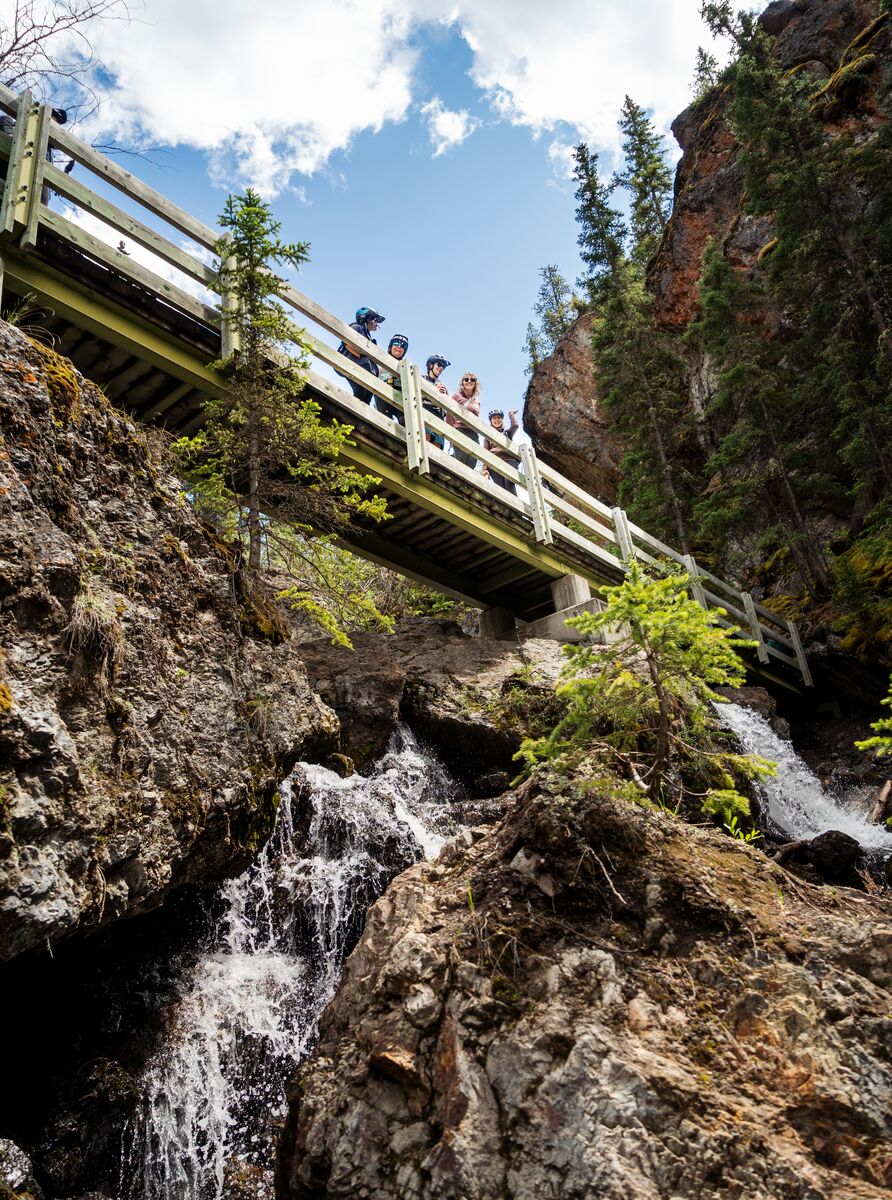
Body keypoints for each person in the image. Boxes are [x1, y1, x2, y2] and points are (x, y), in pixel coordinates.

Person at [337, 306, 384, 404]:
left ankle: (359, 413)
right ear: (369, 319)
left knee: (367, 395)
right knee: (360, 391)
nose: (377, 324)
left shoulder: (369, 337)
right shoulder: (357, 327)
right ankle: (352, 411)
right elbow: (346, 343)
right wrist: (361, 356)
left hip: (363, 370)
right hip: (352, 365)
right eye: (376, 321)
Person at [446, 371, 482, 469]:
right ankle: (457, 482)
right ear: (462, 382)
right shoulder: (456, 396)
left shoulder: (477, 401)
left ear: (475, 383)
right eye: (466, 379)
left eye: (472, 380)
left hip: (473, 433)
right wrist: (450, 434)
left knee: (472, 461)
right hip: (460, 430)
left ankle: (467, 484)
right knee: (460, 459)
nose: (469, 381)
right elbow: (449, 415)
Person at [482, 408, 520, 494]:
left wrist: (511, 414)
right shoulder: (488, 436)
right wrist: (485, 470)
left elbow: (515, 426)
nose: (496, 420)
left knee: (509, 484)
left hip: (509, 460)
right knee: (501, 489)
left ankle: (514, 506)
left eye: (498, 418)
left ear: (502, 420)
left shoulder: (507, 433)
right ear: (491, 421)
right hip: (494, 463)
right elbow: (485, 453)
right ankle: (506, 507)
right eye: (494, 418)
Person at [377, 333, 409, 423]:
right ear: (391, 346)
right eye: (395, 344)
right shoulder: (381, 359)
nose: (399, 347)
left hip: (400, 396)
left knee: (405, 420)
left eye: (402, 346)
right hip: (383, 394)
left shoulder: (405, 366)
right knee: (384, 418)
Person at [422, 354, 450, 449]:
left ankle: (432, 462)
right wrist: (433, 389)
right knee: (426, 435)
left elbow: (447, 408)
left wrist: (444, 395)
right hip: (424, 409)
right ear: (431, 365)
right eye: (439, 365)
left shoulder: (442, 386)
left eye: (443, 367)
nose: (441, 368)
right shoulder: (421, 378)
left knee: (438, 443)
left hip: (438, 414)